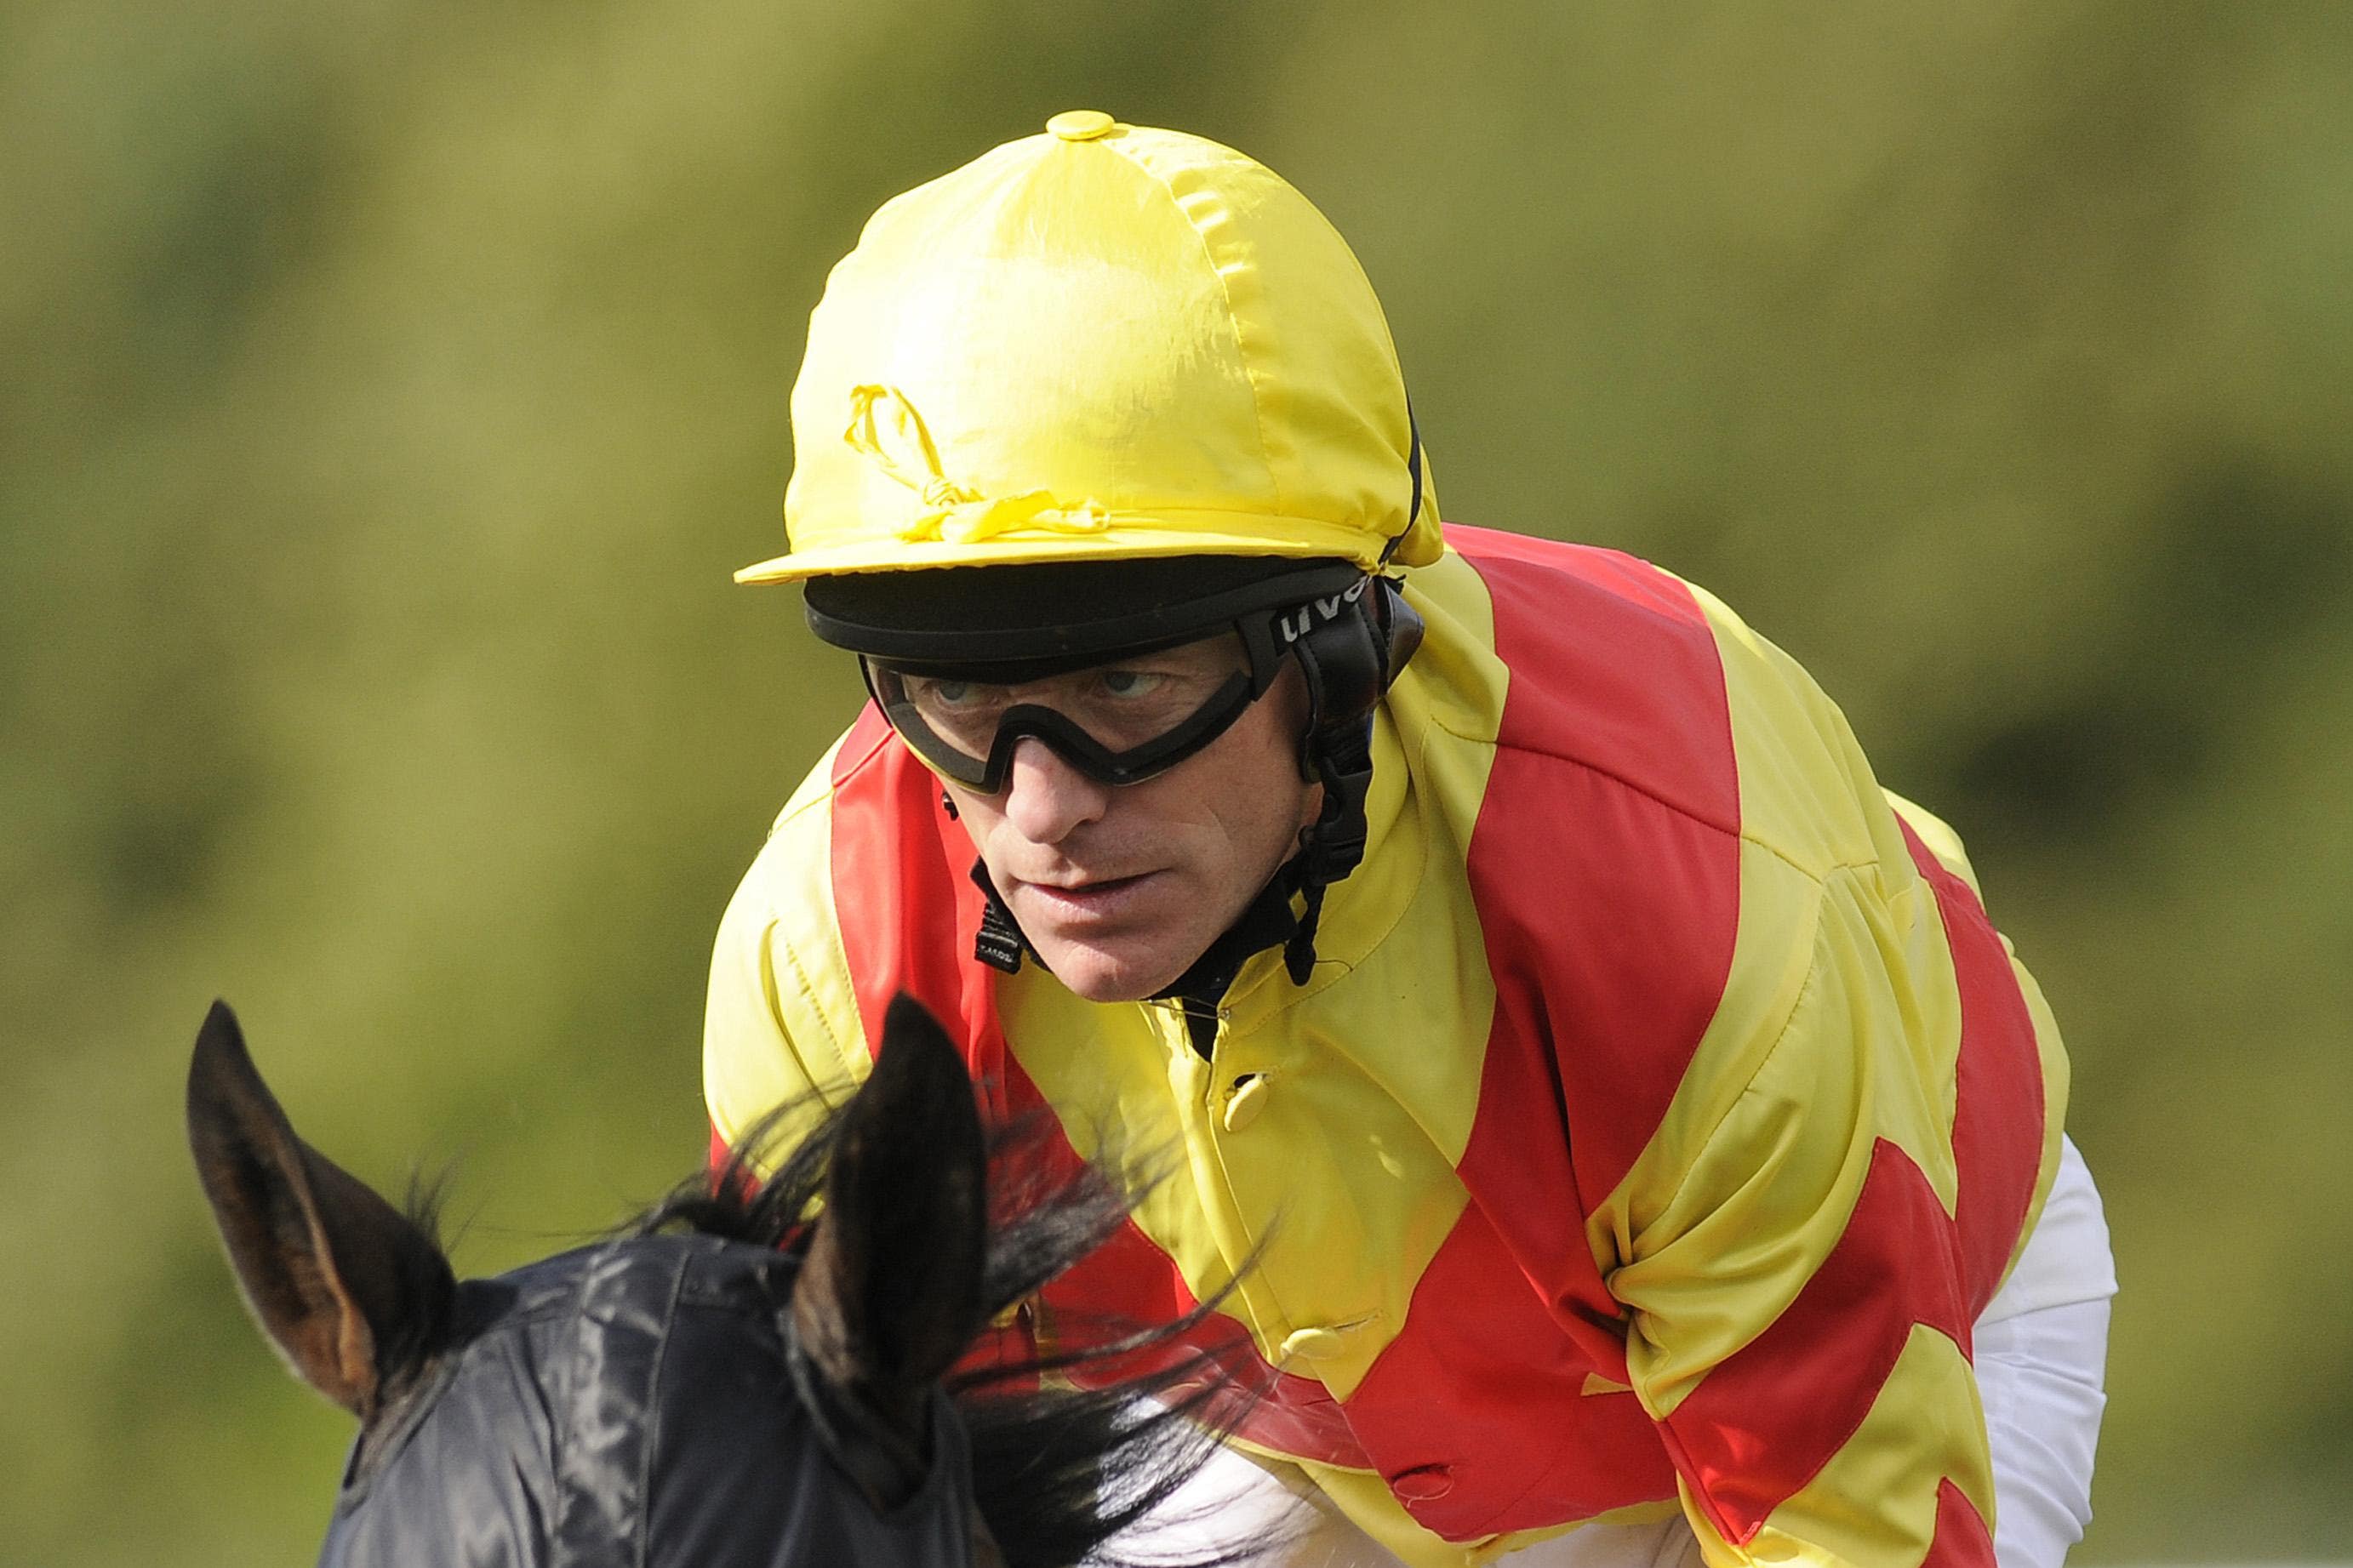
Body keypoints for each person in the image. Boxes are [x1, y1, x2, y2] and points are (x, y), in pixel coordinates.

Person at [701, 111, 2115, 1568]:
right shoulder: (824, 958)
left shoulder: (1697, 934)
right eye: (955, 696)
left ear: (1337, 652)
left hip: (1878, 1315)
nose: (1041, 811)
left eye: (1124, 684)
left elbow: (1844, 1529)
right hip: (1265, 1413)